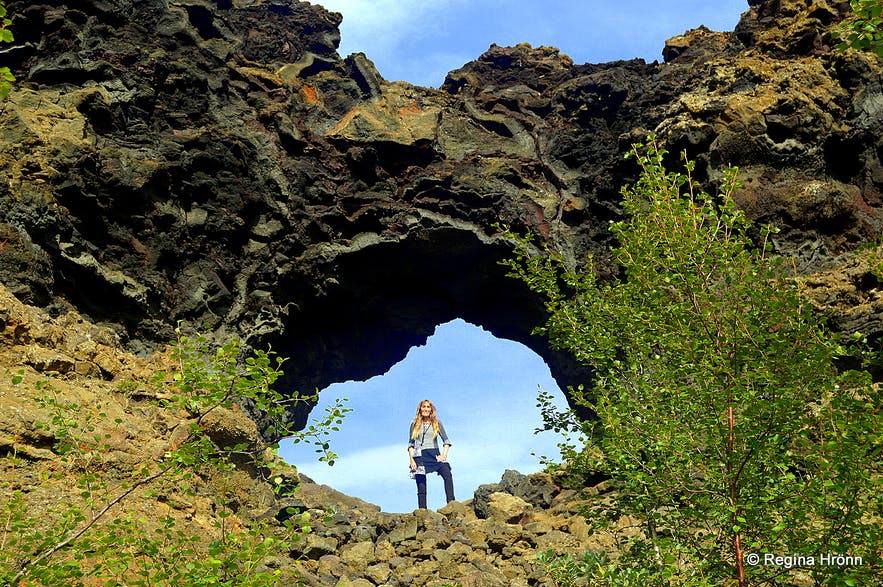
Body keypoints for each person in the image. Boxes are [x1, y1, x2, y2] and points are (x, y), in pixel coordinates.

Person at [407, 399, 455, 509]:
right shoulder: (414, 424)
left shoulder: (436, 423)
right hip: (419, 456)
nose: (426, 409)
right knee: (421, 484)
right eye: (424, 407)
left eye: (428, 407)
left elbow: (446, 441)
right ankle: (422, 510)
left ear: (431, 410)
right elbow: (410, 444)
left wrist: (444, 455)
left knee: (446, 472)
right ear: (420, 409)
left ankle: (451, 503)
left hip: (434, 454)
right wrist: (412, 460)